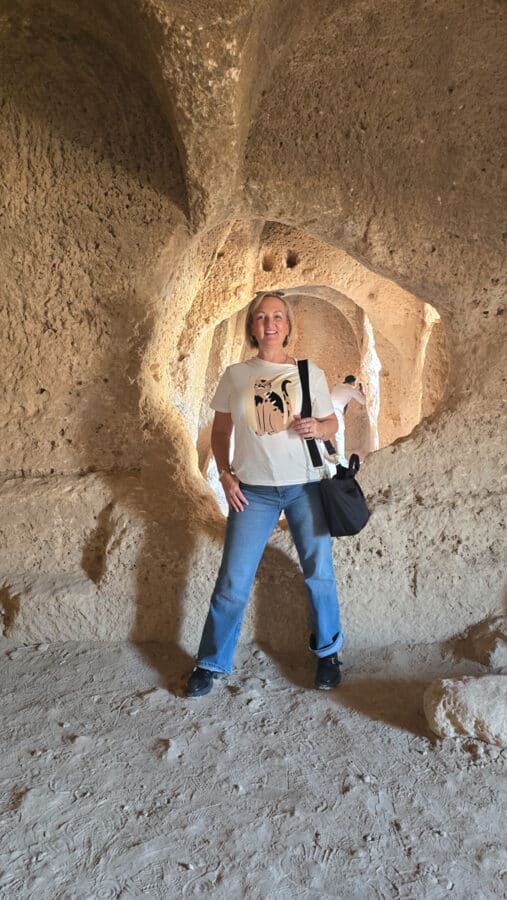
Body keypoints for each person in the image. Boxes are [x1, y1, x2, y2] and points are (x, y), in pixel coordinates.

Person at [186, 291, 344, 697]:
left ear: (288, 325)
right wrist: (225, 474)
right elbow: (221, 433)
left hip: (305, 486)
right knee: (233, 579)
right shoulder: (236, 375)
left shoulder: (310, 374)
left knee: (318, 573)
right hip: (252, 492)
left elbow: (331, 425)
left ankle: (328, 654)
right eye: (261, 317)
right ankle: (211, 661)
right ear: (251, 326)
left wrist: (318, 429)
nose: (269, 323)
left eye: (277, 316)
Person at [330, 375, 366, 467]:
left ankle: (332, 457)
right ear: (353, 382)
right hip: (336, 411)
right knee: (340, 434)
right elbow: (363, 401)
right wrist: (362, 392)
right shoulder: (351, 389)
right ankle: (341, 459)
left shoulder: (338, 385)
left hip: (327, 409)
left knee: (328, 432)